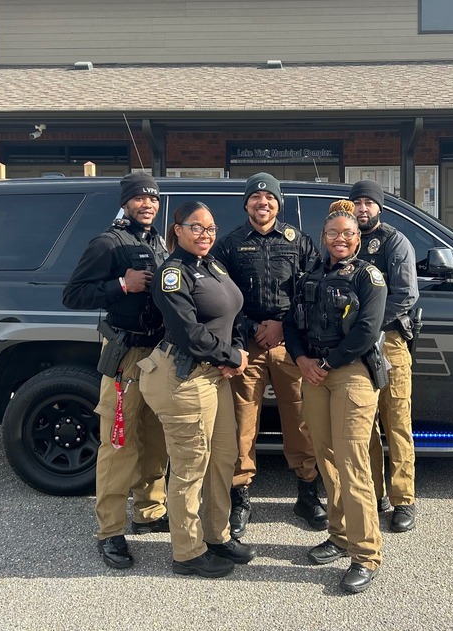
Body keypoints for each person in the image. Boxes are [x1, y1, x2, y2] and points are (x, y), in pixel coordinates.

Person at [140, 201, 255, 579]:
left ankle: (216, 534)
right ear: (177, 230)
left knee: (222, 458)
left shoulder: (211, 264)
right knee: (190, 466)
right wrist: (232, 356)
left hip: (215, 374)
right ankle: (187, 552)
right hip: (183, 377)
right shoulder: (172, 274)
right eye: (196, 228)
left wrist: (236, 350)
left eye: (210, 228)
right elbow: (189, 332)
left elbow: (233, 310)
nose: (205, 235)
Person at [62, 172, 170, 570]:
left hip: (158, 354)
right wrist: (121, 286)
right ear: (126, 202)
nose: (148, 204)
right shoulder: (108, 242)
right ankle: (110, 530)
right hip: (125, 353)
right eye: (140, 198)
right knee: (119, 442)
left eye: (153, 198)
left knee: (155, 437)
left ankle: (150, 510)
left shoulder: (157, 242)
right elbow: (72, 295)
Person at [211, 172, 326, 538]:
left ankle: (308, 493)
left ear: (279, 203)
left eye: (270, 197)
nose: (263, 202)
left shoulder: (300, 242)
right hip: (247, 345)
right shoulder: (228, 245)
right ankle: (240, 495)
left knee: (300, 419)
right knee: (242, 424)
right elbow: (216, 295)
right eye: (256, 197)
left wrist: (281, 323)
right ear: (246, 204)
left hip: (289, 345)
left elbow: (313, 290)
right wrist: (251, 325)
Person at [284, 200, 387, 594]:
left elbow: (367, 330)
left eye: (347, 233)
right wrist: (301, 359)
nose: (340, 239)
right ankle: (340, 535)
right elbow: (292, 324)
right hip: (314, 374)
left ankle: (366, 554)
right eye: (332, 233)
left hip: (350, 374)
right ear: (323, 238)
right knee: (325, 458)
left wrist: (325, 364)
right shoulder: (310, 275)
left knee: (352, 461)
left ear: (358, 238)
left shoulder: (369, 276)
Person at [350, 179, 421, 534]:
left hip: (388, 341)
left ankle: (403, 499)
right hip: (353, 346)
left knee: (395, 422)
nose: (363, 209)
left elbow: (405, 295)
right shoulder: (345, 239)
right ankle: (375, 494)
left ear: (379, 207)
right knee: (365, 428)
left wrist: (365, 323)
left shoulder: (394, 242)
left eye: (368, 203)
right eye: (357, 203)